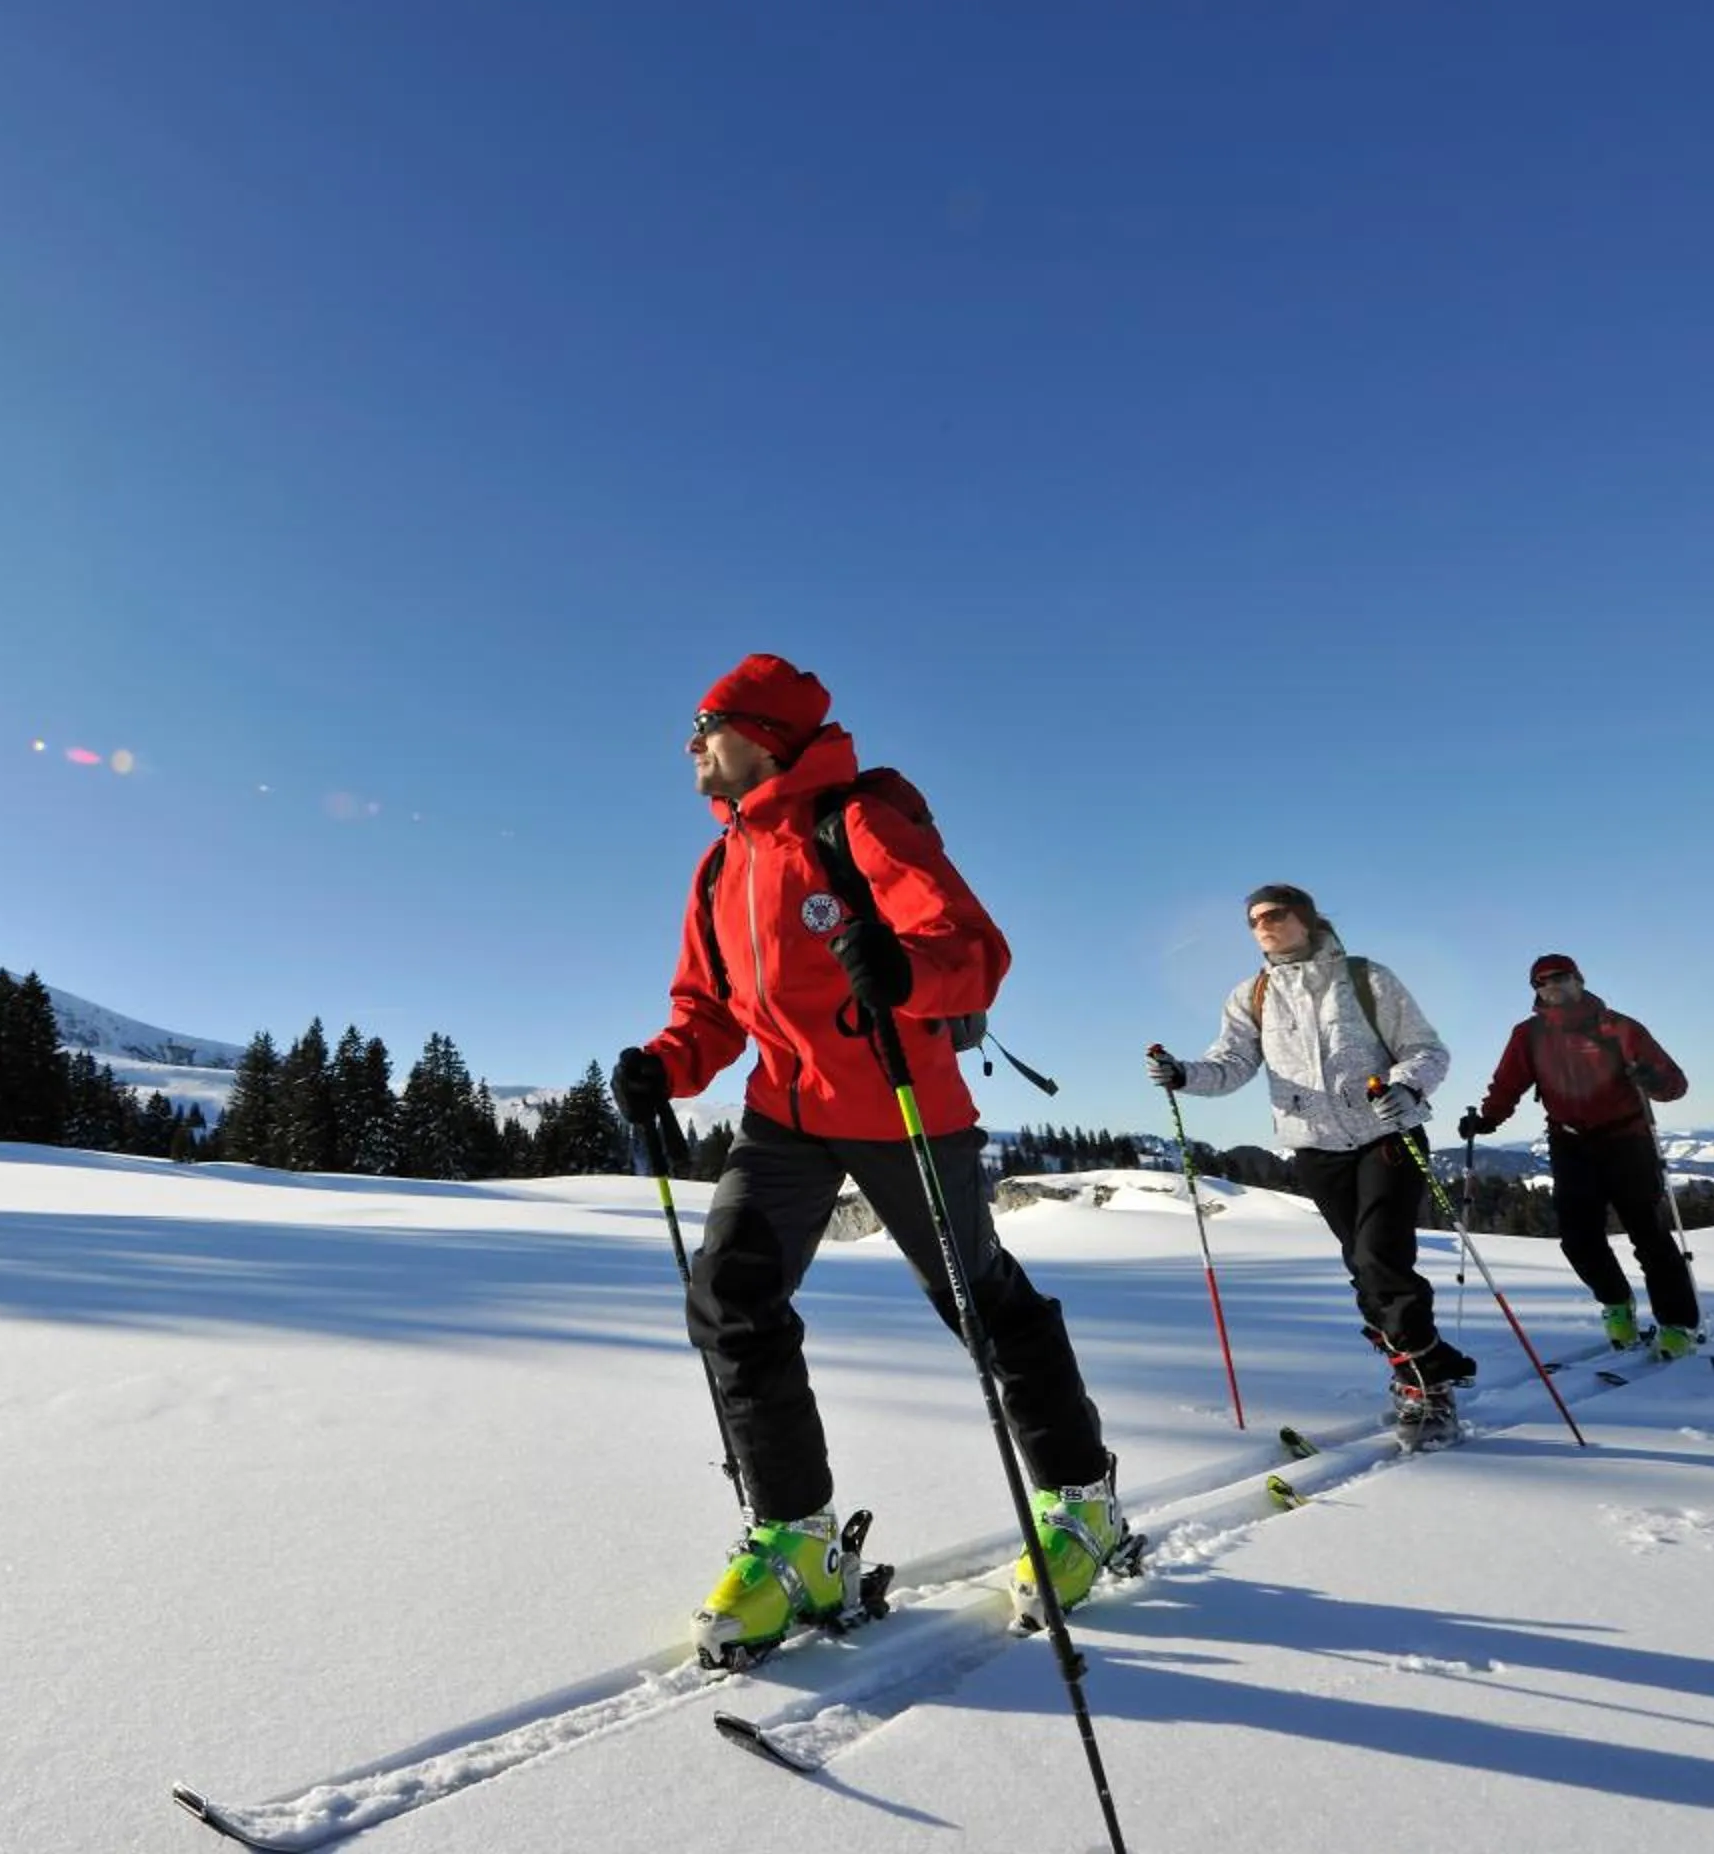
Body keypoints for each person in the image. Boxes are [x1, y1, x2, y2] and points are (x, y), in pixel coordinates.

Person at [611, 653, 1129, 1668]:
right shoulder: (719, 865)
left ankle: (1083, 1502)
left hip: (904, 1102)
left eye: (704, 726)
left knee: (980, 1300)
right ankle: (797, 1537)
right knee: (729, 1293)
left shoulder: (855, 821)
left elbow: (972, 947)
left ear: (760, 731)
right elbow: (707, 1007)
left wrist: (905, 969)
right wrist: (660, 1065)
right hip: (784, 1111)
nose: (691, 748)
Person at [1148, 885, 1472, 1426]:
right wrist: (1183, 1074)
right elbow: (1230, 1063)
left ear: (1304, 917)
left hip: (1386, 1134)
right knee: (1361, 1265)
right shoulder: (1251, 995)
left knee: (1380, 1258)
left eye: (1273, 914)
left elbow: (1426, 1050)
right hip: (1315, 1145)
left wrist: (1407, 1087)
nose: (1263, 926)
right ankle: (1421, 1360)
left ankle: (1427, 1387)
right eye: (1253, 921)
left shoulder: (1367, 978)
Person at [1457, 954, 1700, 1357]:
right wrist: (1487, 1120)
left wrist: (1654, 1081)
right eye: (1540, 982)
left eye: (1559, 977)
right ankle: (1617, 1304)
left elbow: (1675, 1083)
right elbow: (1507, 1084)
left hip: (1626, 1141)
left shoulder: (1618, 1028)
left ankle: (1677, 1325)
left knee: (1650, 1237)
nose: (1550, 986)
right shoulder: (1528, 1035)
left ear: (1579, 979)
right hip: (1570, 1144)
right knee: (1578, 1240)